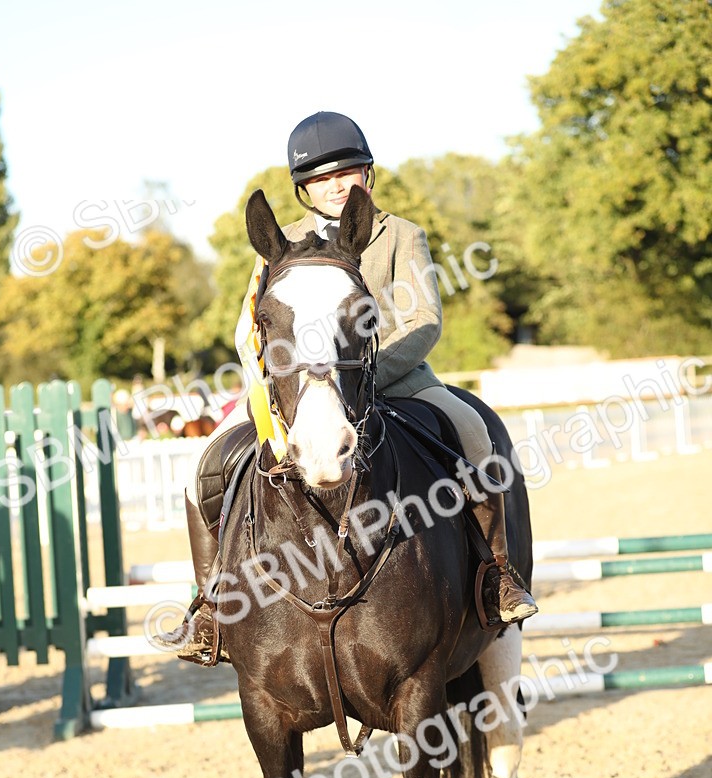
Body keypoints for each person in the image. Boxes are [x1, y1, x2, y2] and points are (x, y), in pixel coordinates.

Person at [174, 111, 537, 664]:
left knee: (476, 435)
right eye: (321, 178)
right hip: (298, 400)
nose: (336, 184)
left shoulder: (400, 235)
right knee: (202, 465)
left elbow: (423, 321)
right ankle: (210, 607)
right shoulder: (280, 244)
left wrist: (360, 385)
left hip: (398, 382)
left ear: (369, 174)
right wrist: (277, 391)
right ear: (303, 190)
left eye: (347, 172)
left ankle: (496, 578)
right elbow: (248, 329)